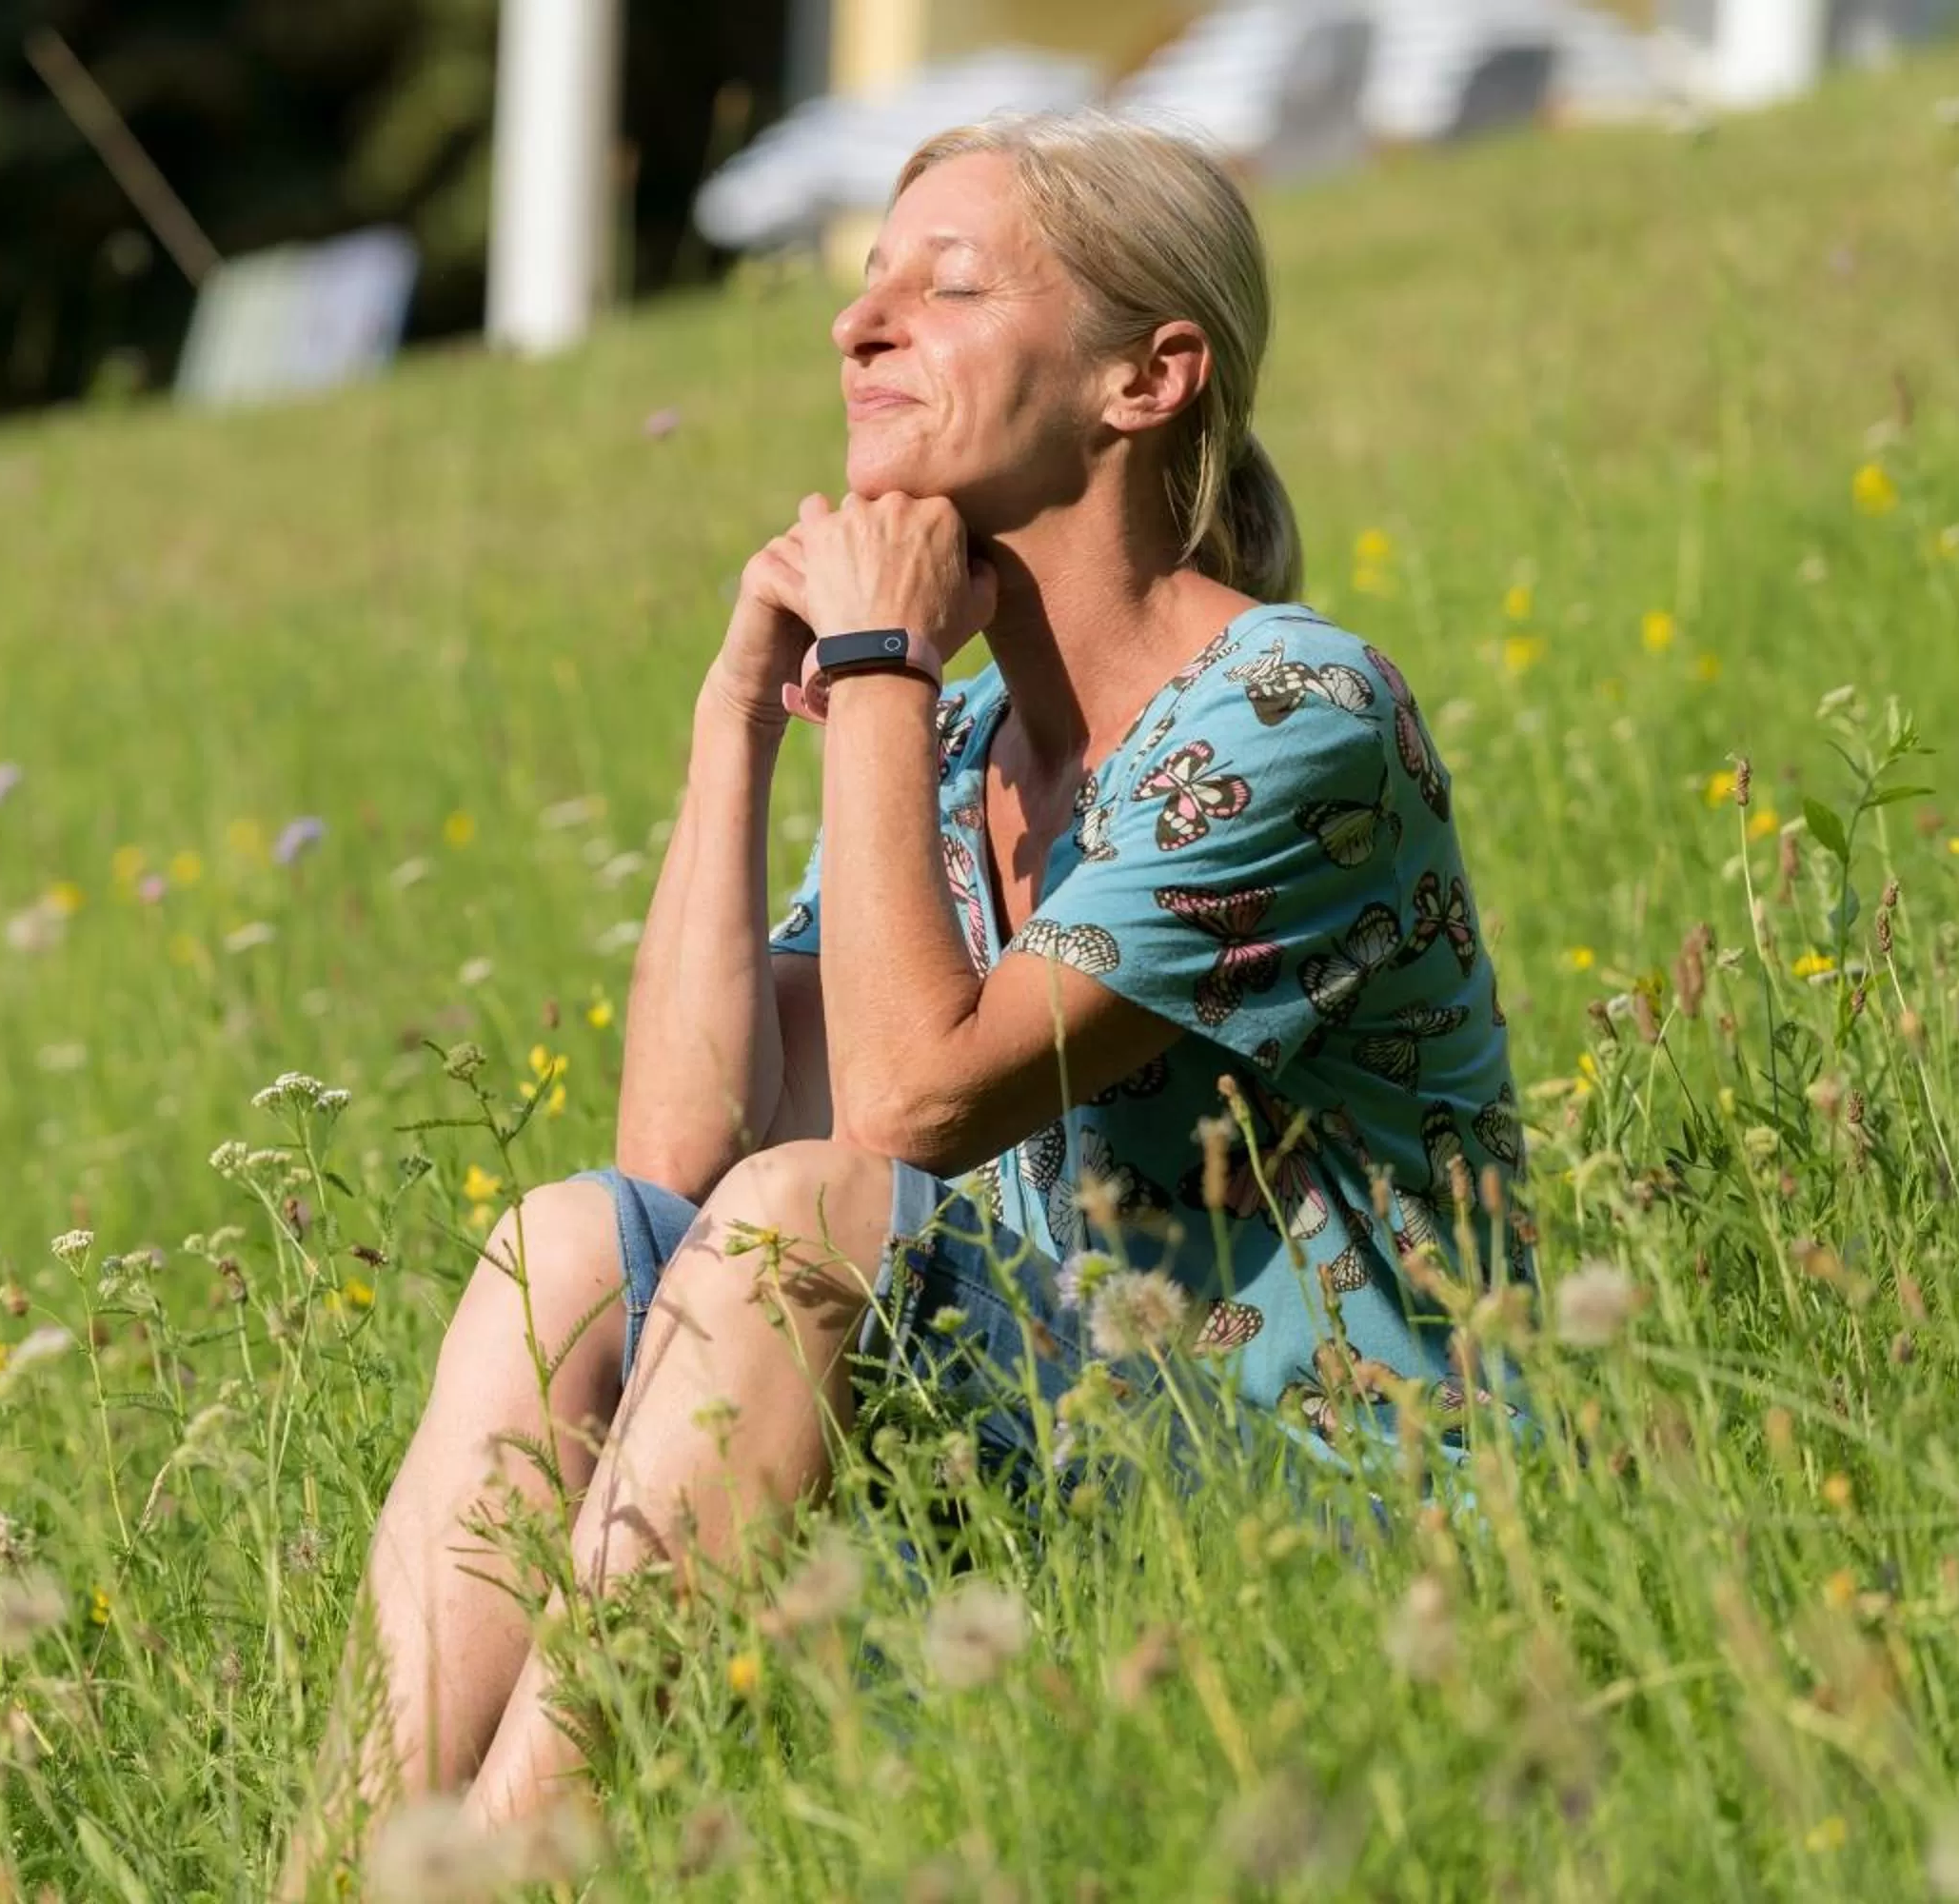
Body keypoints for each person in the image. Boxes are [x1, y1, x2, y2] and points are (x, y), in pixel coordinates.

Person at [291, 108, 1529, 1870]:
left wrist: (871, 665)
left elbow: (903, 1110)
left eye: (943, 288)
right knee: (565, 1244)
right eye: (864, 284)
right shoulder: (947, 740)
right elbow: (677, 1160)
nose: (855, 327)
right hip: (1056, 1462)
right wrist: (735, 725)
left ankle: (508, 1873)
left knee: (812, 1213)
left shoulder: (1289, 712)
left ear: (1146, 378)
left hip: (1317, 1525)